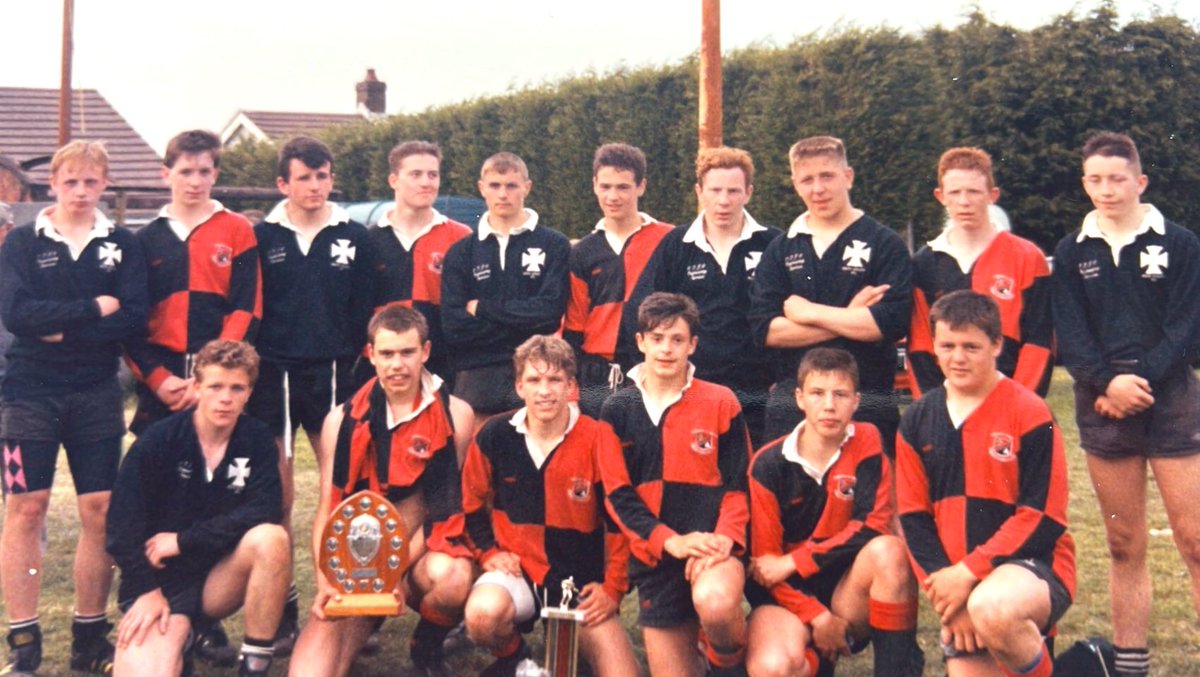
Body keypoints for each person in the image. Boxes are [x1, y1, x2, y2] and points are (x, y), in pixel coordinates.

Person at [1052, 131, 1200, 677]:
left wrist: (1138, 382)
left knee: (1195, 540)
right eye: (1095, 180)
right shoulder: (1072, 251)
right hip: (1104, 407)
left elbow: (1187, 328)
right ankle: (1131, 664)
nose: (1107, 190)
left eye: (1117, 179)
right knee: (1122, 541)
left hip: (1171, 401)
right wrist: (1107, 384)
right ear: (1084, 183)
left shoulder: (1180, 243)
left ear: (1140, 181)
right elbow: (1071, 333)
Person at [0, 140, 148, 675]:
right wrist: (91, 308)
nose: (81, 191)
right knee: (26, 506)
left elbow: (133, 315)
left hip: (95, 391)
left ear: (104, 183)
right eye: (71, 182)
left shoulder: (122, 244)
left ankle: (89, 637)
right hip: (29, 391)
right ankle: (24, 641)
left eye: (90, 182)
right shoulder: (22, 241)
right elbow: (17, 314)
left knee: (99, 509)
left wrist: (62, 328)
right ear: (53, 185)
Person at [897, 290, 1075, 677]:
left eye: (971, 347)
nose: (957, 358)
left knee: (992, 608)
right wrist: (949, 598)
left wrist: (969, 575)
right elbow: (913, 518)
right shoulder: (916, 419)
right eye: (947, 346)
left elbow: (1044, 517)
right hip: (956, 584)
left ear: (996, 345)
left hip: (1029, 568)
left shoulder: (1030, 410)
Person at [289, 306, 475, 677]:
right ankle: (360, 624)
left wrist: (392, 570)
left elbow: (441, 511)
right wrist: (327, 581)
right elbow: (328, 509)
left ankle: (427, 644)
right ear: (371, 354)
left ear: (425, 352)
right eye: (387, 354)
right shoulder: (340, 420)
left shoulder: (457, 414)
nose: (397, 365)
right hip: (358, 562)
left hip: (418, 553)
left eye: (407, 352)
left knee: (453, 578)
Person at [247, 136, 374, 648]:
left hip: (335, 374)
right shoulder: (261, 237)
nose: (315, 186)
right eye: (305, 177)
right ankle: (283, 607)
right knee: (278, 495)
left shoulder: (354, 236)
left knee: (340, 491)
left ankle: (348, 601)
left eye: (323, 176)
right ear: (284, 183)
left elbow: (366, 309)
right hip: (275, 375)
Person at [106, 340, 289, 677]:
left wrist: (184, 540)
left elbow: (266, 508)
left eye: (237, 388)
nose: (225, 398)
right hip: (162, 585)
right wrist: (145, 591)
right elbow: (121, 526)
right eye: (216, 386)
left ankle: (254, 666)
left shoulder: (257, 438)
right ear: (196, 386)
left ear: (249, 393)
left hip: (216, 579)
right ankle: (184, 638)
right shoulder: (158, 439)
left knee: (271, 538)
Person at [460, 334, 638, 677]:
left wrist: (613, 589)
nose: (544, 391)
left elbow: (620, 519)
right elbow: (469, 504)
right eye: (534, 380)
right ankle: (515, 658)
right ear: (519, 386)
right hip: (520, 572)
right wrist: (487, 553)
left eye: (555, 380)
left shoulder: (598, 437)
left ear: (571, 386)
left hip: (578, 583)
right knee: (482, 615)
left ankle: (570, 648)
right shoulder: (494, 434)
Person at [745, 348, 922, 677]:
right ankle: (817, 660)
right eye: (817, 393)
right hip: (787, 599)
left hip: (846, 592)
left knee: (889, 551)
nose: (829, 405)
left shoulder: (867, 440)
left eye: (840, 394)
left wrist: (796, 561)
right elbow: (765, 568)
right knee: (772, 668)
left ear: (856, 401)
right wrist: (818, 617)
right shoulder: (768, 465)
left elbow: (874, 524)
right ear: (799, 398)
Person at [600, 292, 750, 676]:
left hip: (712, 550)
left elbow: (738, 487)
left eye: (677, 339)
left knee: (715, 601)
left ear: (692, 345)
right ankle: (700, 652)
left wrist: (724, 540)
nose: (666, 349)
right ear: (640, 342)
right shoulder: (617, 409)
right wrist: (671, 541)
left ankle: (726, 663)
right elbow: (618, 496)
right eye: (657, 338)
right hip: (658, 557)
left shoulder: (721, 401)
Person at [748, 135, 911, 451]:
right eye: (807, 180)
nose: (818, 188)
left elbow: (888, 322)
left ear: (848, 177)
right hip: (792, 408)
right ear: (795, 185)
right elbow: (765, 330)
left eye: (827, 176)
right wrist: (850, 316)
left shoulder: (884, 243)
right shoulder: (781, 249)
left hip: (867, 404)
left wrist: (809, 313)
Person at [619, 147, 781, 446]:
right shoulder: (676, 245)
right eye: (715, 190)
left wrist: (782, 376)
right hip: (692, 390)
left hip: (757, 393)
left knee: (749, 469)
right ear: (699, 191)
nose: (723, 200)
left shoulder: (773, 244)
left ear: (748, 192)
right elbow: (639, 313)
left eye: (733, 191)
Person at [126, 129, 262, 435]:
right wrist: (158, 379)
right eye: (186, 172)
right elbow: (131, 321)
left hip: (220, 373)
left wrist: (216, 373)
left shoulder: (237, 229)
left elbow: (247, 307)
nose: (195, 181)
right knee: (159, 459)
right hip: (165, 377)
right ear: (166, 174)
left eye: (204, 171)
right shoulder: (144, 239)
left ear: (216, 174)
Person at [908, 147, 1052, 397]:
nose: (964, 202)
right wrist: (935, 409)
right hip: (948, 405)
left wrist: (1018, 405)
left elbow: (1039, 343)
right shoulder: (924, 263)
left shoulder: (1027, 257)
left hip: (1011, 402)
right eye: (955, 192)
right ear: (940, 196)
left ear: (992, 195)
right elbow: (920, 346)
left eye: (973, 191)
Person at [441, 152, 569, 421]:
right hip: (477, 378)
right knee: (477, 449)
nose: (503, 194)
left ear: (527, 187)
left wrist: (483, 309)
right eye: (495, 185)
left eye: (511, 185)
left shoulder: (554, 244)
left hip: (537, 375)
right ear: (481, 188)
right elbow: (454, 328)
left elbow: (549, 314)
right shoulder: (461, 252)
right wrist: (521, 326)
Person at [564, 143, 673, 416]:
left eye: (623, 187)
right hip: (595, 373)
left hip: (653, 367)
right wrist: (572, 388)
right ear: (594, 185)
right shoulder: (582, 252)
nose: (613, 196)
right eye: (606, 186)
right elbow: (574, 326)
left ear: (641, 186)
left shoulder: (669, 240)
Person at [365, 141, 471, 387]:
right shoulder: (368, 240)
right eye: (416, 174)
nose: (426, 182)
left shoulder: (461, 237)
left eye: (433, 175)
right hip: (385, 367)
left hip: (445, 367)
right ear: (393, 180)